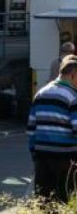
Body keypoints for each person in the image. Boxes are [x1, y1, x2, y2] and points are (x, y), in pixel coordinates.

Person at [27, 54, 77, 202]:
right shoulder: (73, 97)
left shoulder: (41, 93)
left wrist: (35, 154)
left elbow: (31, 129)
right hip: (67, 158)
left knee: (44, 200)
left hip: (42, 156)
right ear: (73, 75)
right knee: (65, 200)